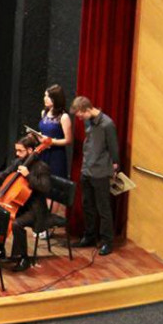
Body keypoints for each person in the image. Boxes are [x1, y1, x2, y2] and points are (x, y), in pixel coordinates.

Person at [0, 135, 51, 272]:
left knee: (16, 224)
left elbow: (45, 188)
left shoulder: (41, 167)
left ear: (30, 150)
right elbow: (3, 174)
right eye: (17, 150)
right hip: (20, 205)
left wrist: (28, 175)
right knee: (1, 214)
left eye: (20, 151)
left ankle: (23, 258)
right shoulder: (19, 162)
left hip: (35, 209)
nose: (17, 154)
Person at [70, 96, 119, 256]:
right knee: (87, 206)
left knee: (103, 209)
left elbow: (113, 149)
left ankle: (107, 242)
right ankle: (90, 236)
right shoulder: (88, 122)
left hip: (100, 172)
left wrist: (115, 167)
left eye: (80, 115)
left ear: (87, 109)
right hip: (86, 170)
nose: (79, 118)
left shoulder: (107, 124)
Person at [39, 84, 73, 178]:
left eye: (48, 97)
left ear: (56, 99)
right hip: (43, 151)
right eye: (45, 95)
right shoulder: (44, 113)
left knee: (54, 180)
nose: (45, 98)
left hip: (56, 154)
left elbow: (68, 140)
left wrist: (51, 141)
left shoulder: (64, 117)